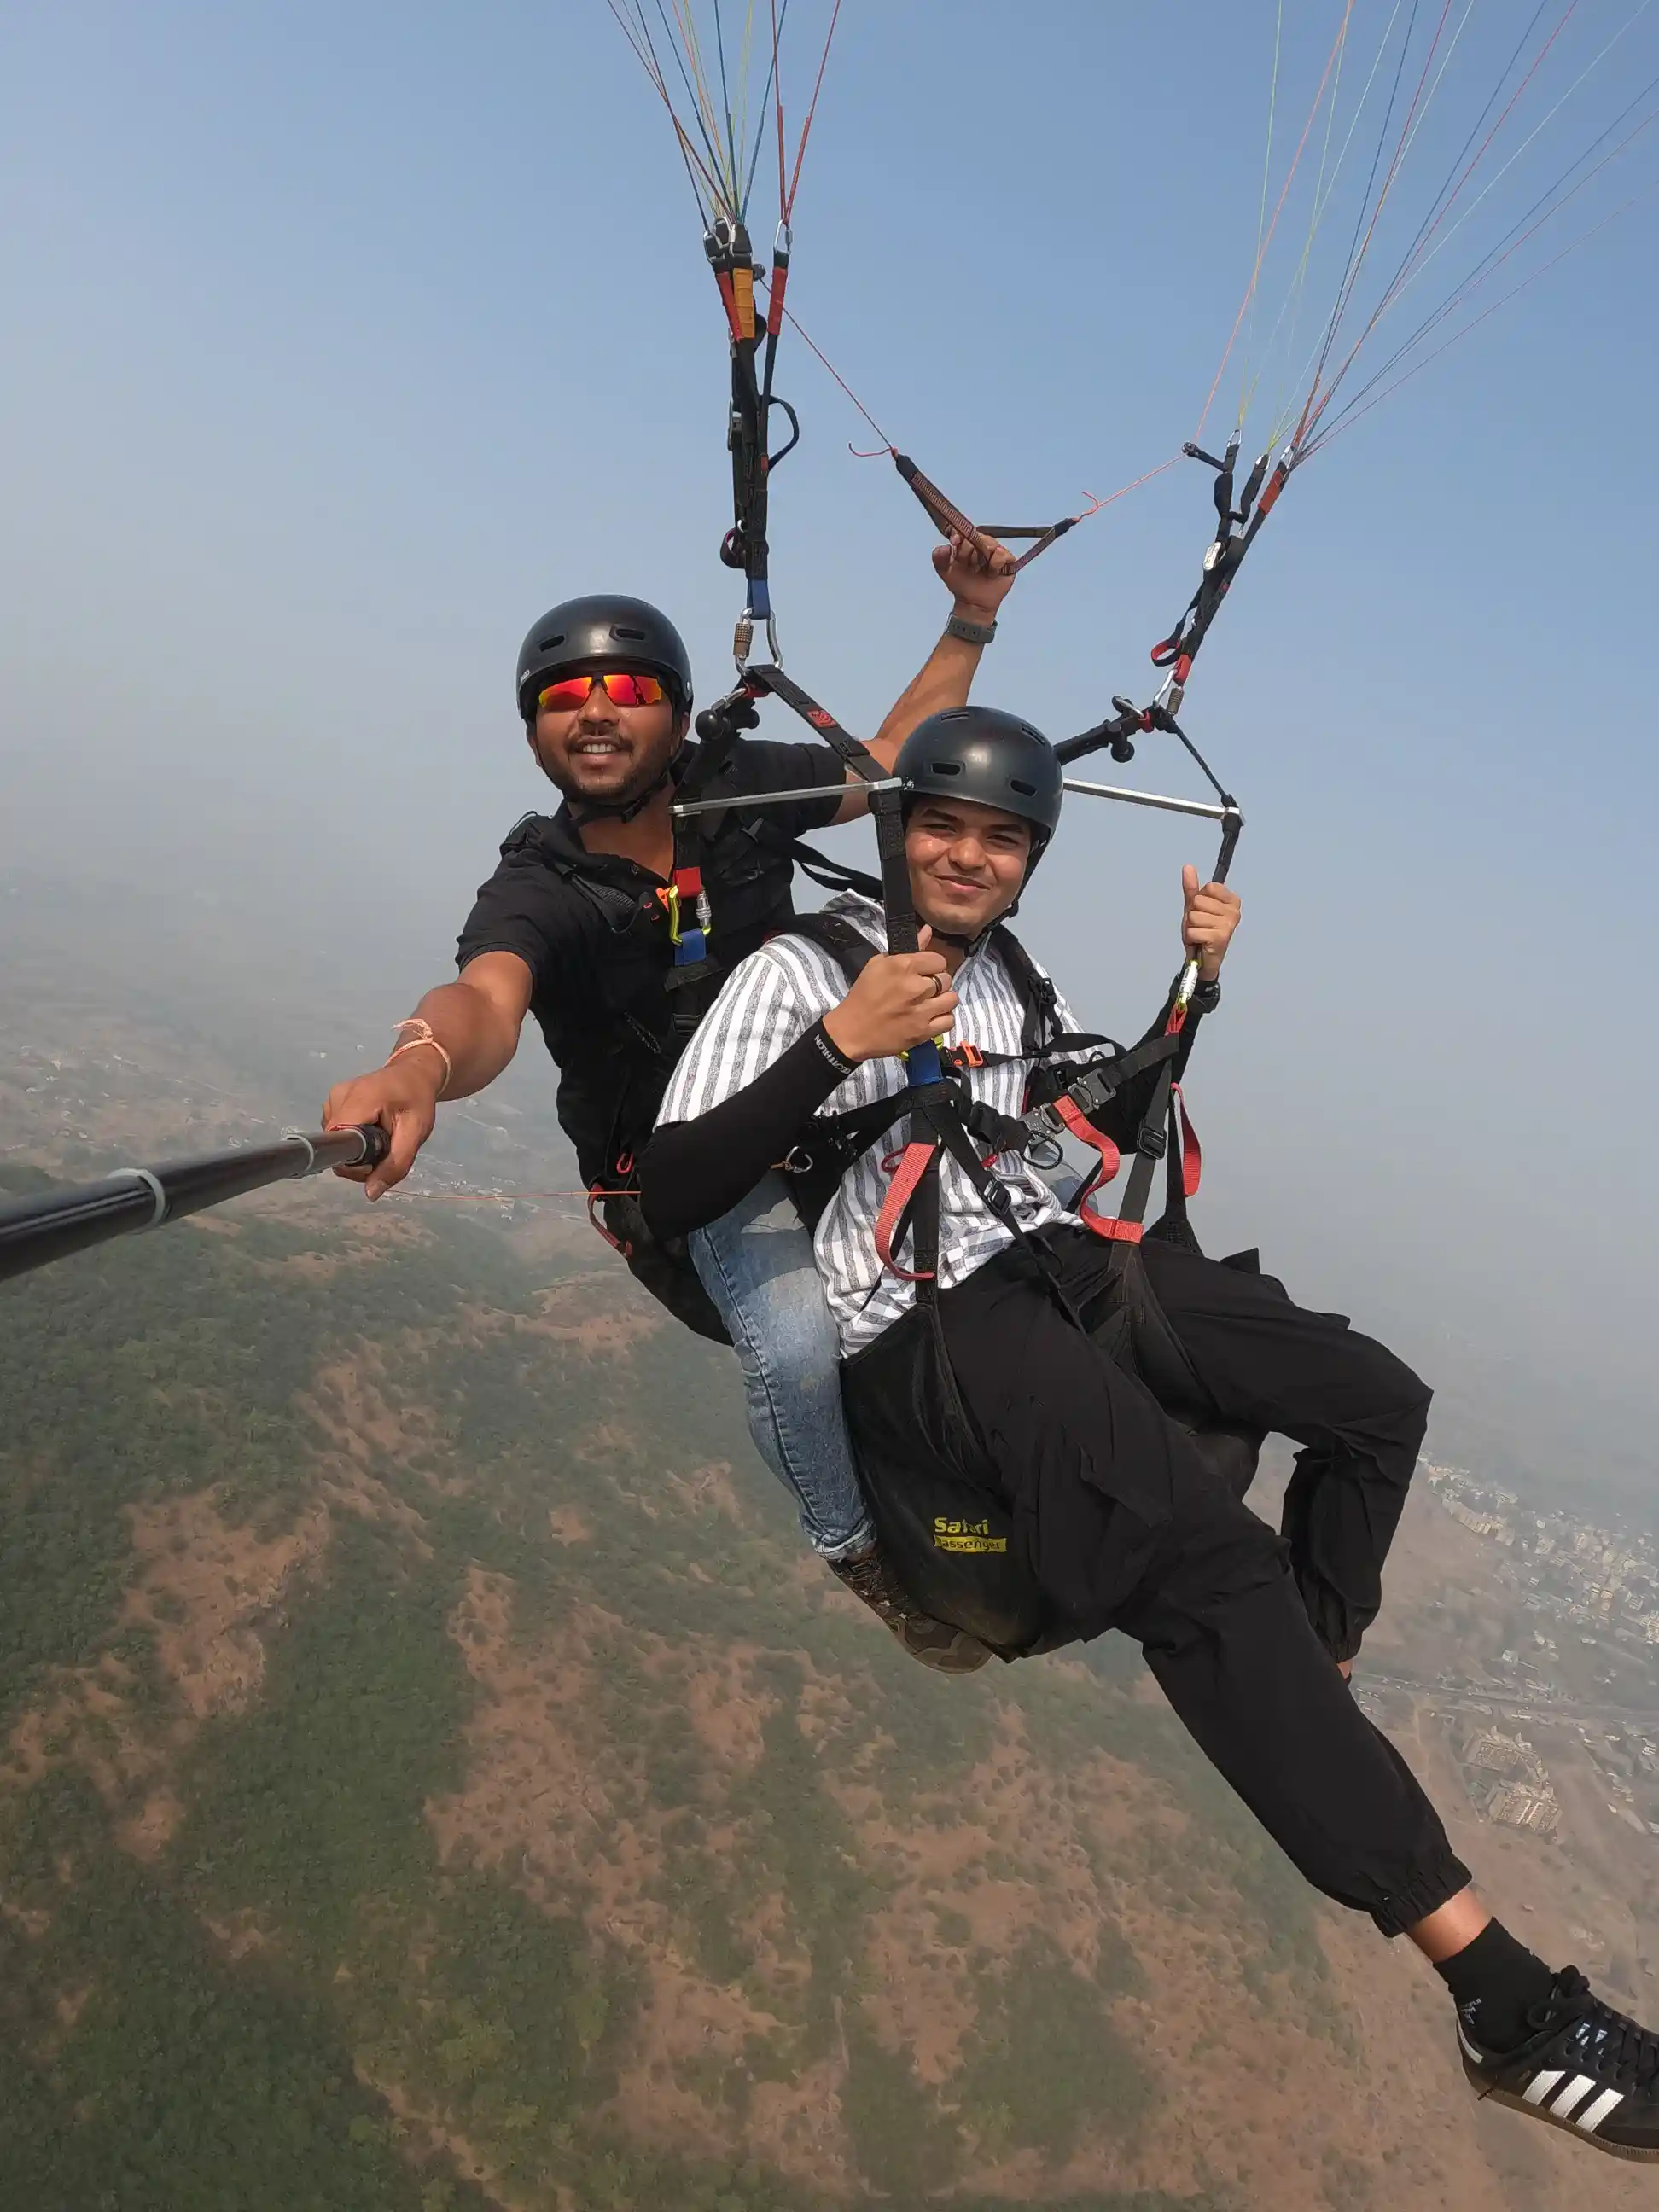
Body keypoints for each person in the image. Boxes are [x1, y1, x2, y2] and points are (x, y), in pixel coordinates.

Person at [637, 706, 1659, 2157]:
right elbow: (674, 1183)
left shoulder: (1008, 977)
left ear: (1031, 860)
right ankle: (1509, 2008)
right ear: (896, 828)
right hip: (925, 1320)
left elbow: (1085, 1101)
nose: (971, 857)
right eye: (945, 826)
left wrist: (1197, 986)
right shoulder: (804, 966)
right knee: (1209, 1576)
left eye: (1004, 839)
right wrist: (832, 1046)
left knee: (1378, 1404)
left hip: (1061, 1260)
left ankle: (1307, 1673)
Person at [323, 541, 1013, 1669]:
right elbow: (485, 1000)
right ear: (534, 729)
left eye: (628, 690)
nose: (594, 711)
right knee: (798, 1346)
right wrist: (415, 1067)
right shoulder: (543, 890)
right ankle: (859, 1553)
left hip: (816, 1109)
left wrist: (970, 619)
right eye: (562, 697)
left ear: (680, 717)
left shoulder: (737, 792)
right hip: (694, 1192)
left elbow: (889, 762)